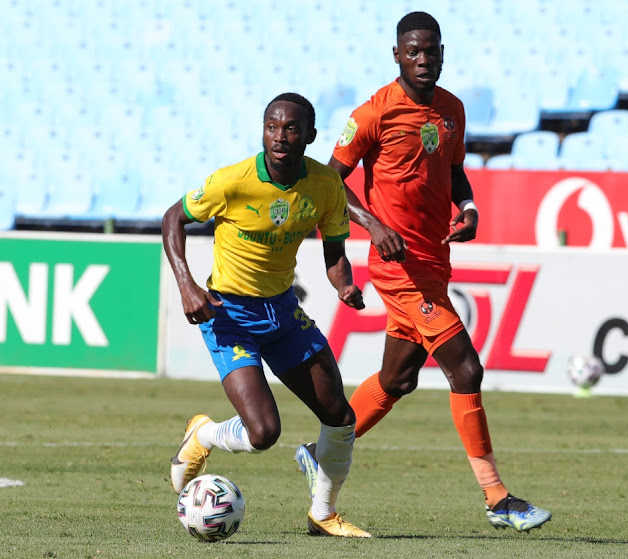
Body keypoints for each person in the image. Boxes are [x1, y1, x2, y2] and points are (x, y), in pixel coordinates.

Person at [294, 12, 551, 532]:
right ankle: (498, 499)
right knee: (467, 369)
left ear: (441, 52)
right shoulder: (373, 113)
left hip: (435, 261)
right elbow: (327, 179)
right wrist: (371, 224)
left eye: (431, 50)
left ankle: (315, 453)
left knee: (398, 378)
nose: (423, 59)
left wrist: (470, 208)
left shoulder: (452, 109)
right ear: (396, 55)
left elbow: (454, 170)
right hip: (397, 268)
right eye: (413, 51)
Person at [162, 92, 371, 538]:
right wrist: (187, 284)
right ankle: (203, 436)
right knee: (263, 432)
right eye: (272, 126)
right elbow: (172, 219)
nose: (280, 136)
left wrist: (344, 285)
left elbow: (335, 254)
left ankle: (323, 513)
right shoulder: (231, 181)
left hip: (281, 311)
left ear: (310, 136)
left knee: (339, 413)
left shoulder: (325, 185)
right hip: (229, 315)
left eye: (291, 128)